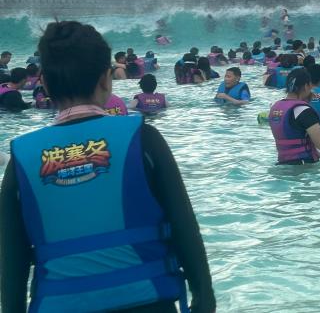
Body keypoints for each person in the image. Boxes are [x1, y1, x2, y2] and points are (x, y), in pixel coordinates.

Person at [1, 20, 215, 311]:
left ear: (45, 83)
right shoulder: (143, 138)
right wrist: (203, 296)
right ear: (106, 79)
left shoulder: (21, 157)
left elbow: (11, 261)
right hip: (149, 304)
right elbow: (184, 226)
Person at [267, 68, 320, 164]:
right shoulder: (304, 110)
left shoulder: (275, 107)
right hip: (304, 164)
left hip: (282, 162)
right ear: (306, 86)